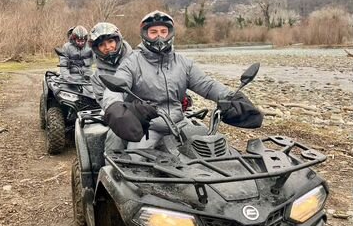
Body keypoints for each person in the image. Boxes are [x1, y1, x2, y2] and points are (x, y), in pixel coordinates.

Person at [102, 10, 263, 149]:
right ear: (145, 34)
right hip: (149, 127)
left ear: (170, 33)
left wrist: (231, 97)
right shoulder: (132, 62)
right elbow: (114, 88)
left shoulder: (183, 63)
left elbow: (207, 85)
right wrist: (115, 107)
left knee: (216, 153)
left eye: (163, 31)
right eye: (153, 32)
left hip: (180, 124)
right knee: (134, 163)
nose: (159, 36)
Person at [88, 22, 132, 107]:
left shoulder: (137, 61)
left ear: (118, 40)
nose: (107, 47)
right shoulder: (96, 78)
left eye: (110, 41)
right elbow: (103, 103)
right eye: (101, 44)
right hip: (119, 115)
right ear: (96, 49)